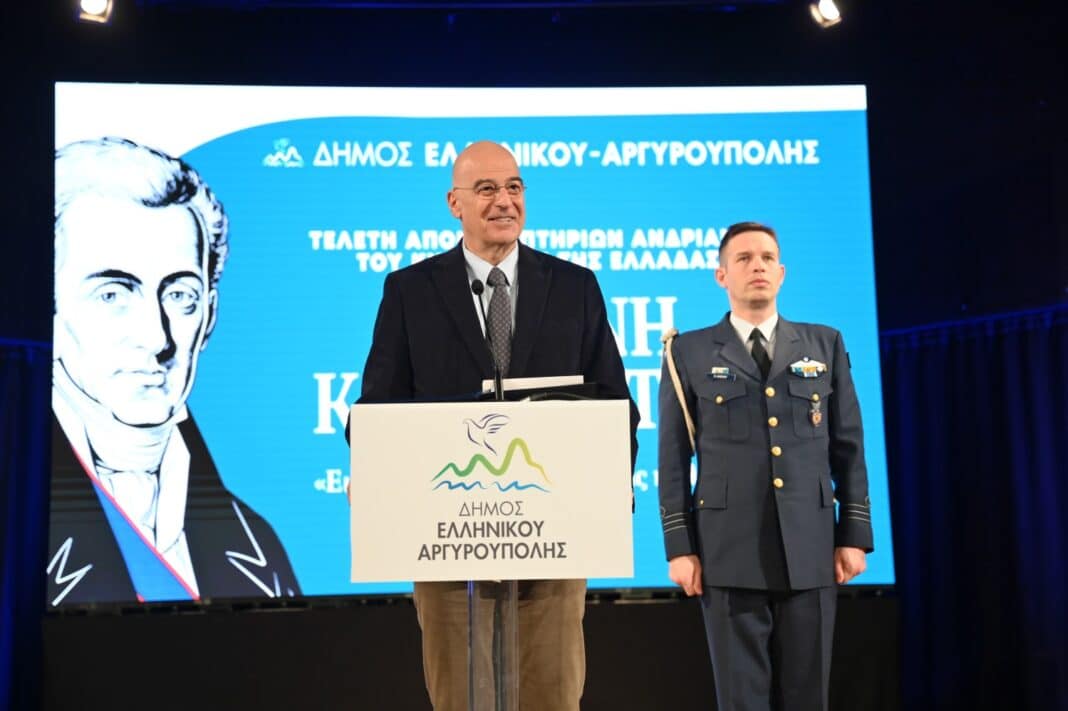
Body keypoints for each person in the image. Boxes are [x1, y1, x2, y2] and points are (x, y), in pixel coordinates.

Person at [355, 140, 638, 710]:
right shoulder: (410, 291)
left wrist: (605, 491)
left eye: (514, 187)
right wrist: (374, 470)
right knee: (462, 698)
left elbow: (615, 404)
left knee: (552, 694)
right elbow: (377, 408)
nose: (504, 201)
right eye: (486, 189)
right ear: (454, 203)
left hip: (553, 532)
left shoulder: (575, 286)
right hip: (446, 538)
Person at [48, 137, 300, 607]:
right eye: (112, 294)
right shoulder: (20, 523)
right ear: (49, 309)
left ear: (209, 315)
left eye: (180, 296)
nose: (157, 337)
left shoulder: (258, 547)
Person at [658, 221, 873, 711]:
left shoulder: (824, 344)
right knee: (741, 700)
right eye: (744, 258)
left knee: (807, 697)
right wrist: (679, 547)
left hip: (811, 548)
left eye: (767, 258)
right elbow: (672, 457)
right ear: (721, 275)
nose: (757, 266)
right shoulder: (687, 351)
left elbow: (848, 446)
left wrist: (854, 534)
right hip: (726, 551)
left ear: (782, 272)